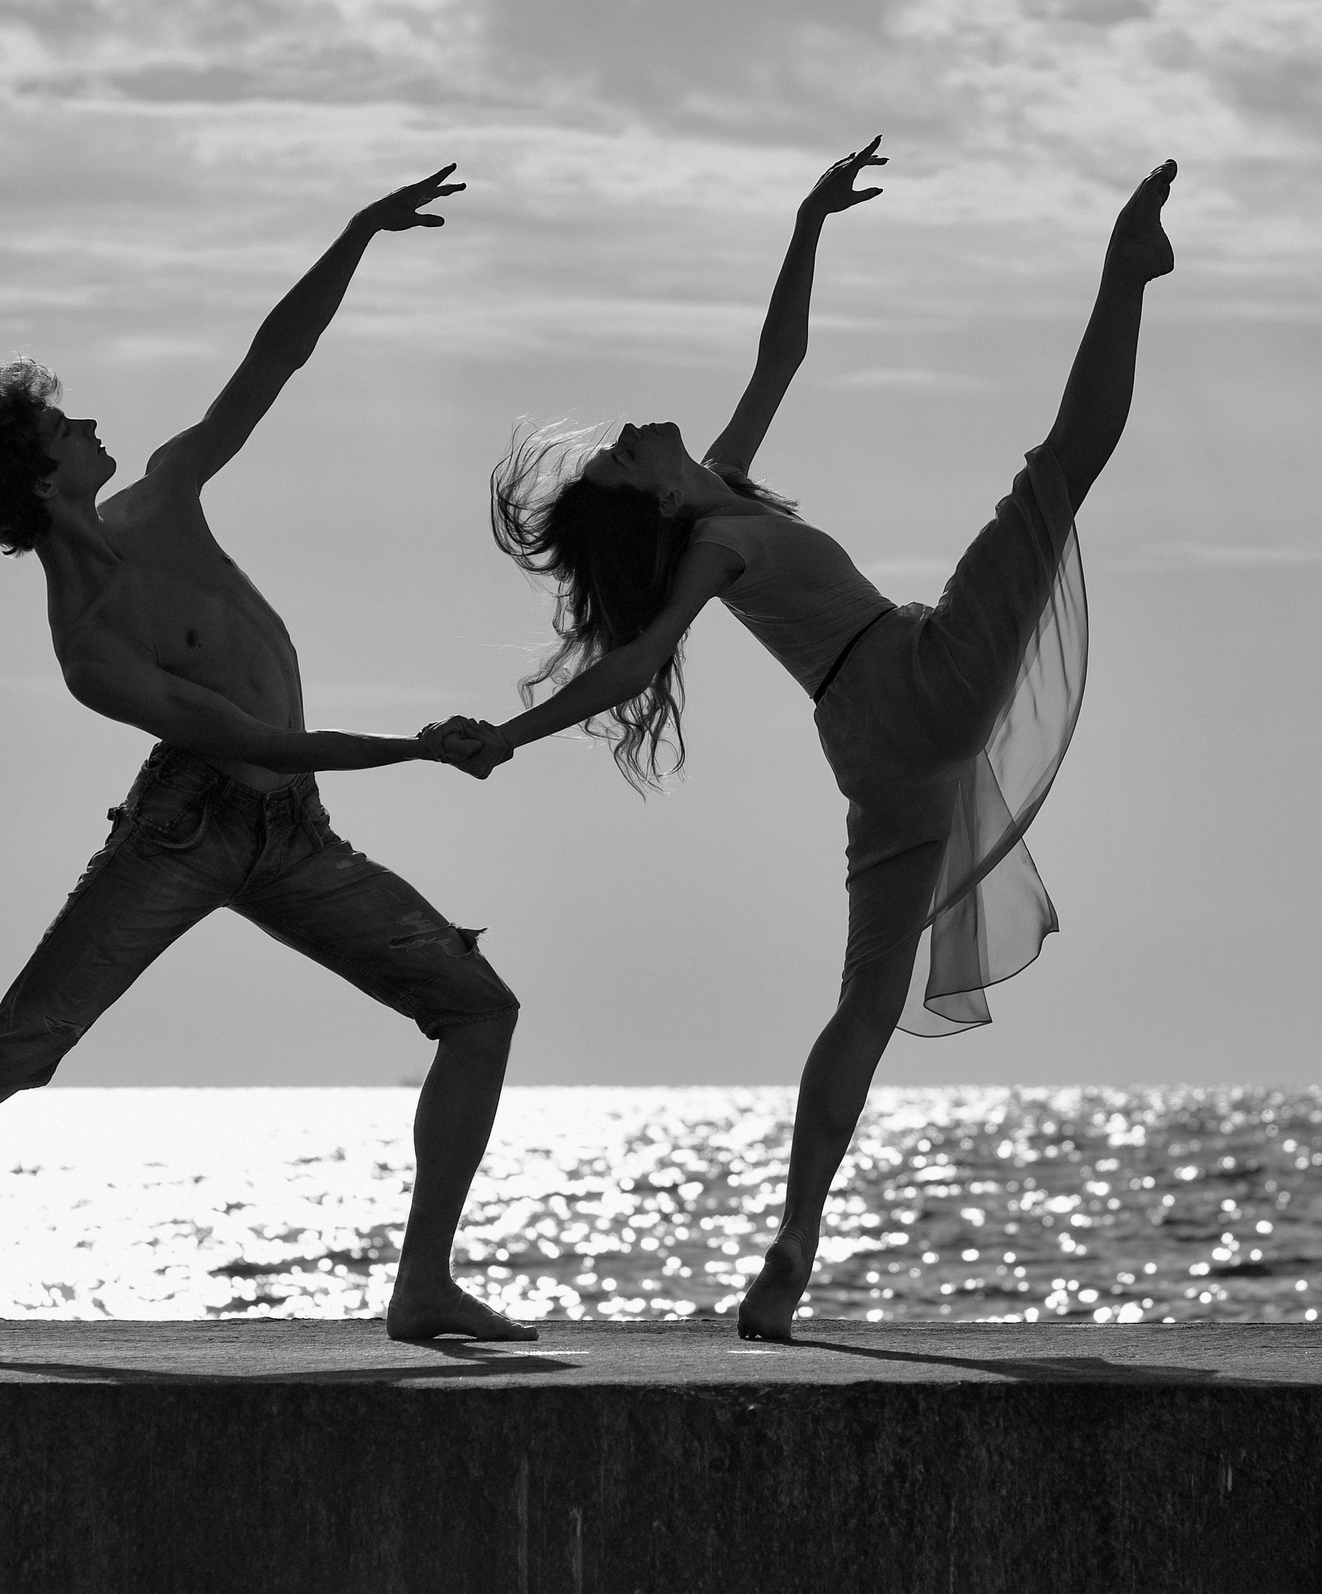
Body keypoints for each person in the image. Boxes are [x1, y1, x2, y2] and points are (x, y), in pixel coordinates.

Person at [0, 167, 534, 1349]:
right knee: (12, 1051)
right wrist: (417, 748)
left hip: (294, 834)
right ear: (38, 475)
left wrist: (355, 235)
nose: (93, 426)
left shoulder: (164, 494)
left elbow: (272, 366)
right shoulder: (90, 651)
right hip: (184, 831)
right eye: (69, 427)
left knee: (475, 1006)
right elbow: (250, 738)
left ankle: (422, 1284)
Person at [427, 141, 1175, 1339]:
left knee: (863, 1004)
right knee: (1054, 473)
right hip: (911, 679)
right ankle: (1127, 272)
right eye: (625, 454)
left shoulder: (715, 496)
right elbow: (635, 660)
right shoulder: (715, 541)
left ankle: (794, 1242)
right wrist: (513, 734)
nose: (627, 428)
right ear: (659, 499)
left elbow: (784, 357)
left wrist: (807, 223)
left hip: (873, 747)